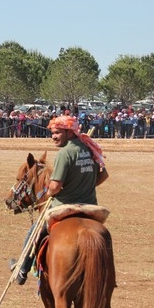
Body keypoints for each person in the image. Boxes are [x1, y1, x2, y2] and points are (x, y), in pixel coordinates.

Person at [11, 114, 109, 285]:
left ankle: (22, 268)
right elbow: (104, 175)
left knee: (35, 229)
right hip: (90, 205)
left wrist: (47, 195)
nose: (53, 137)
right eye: (52, 133)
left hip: (64, 206)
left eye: (57, 133)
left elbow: (55, 187)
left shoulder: (65, 153)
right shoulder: (88, 148)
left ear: (69, 132)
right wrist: (84, 186)